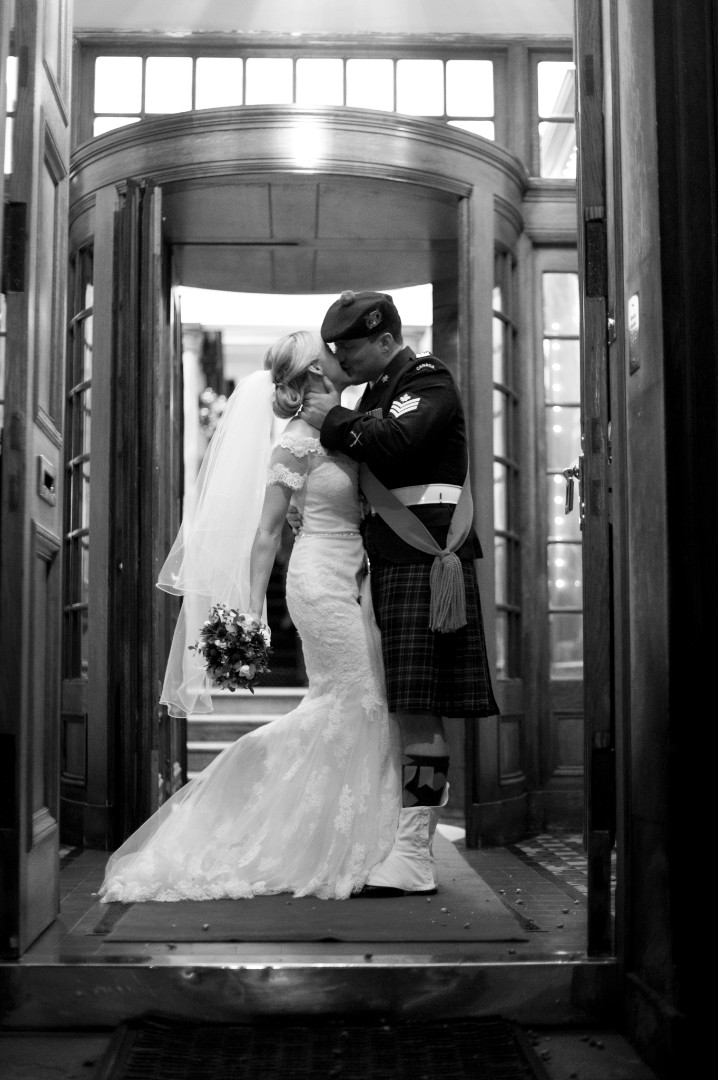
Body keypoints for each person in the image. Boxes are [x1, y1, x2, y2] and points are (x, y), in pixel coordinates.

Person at [98, 331, 401, 903]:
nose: (344, 356)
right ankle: (247, 789)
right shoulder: (294, 443)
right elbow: (265, 533)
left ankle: (351, 837)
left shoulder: (348, 425)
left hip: (356, 578)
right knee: (358, 699)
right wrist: (250, 609)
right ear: (315, 370)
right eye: (332, 353)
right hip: (317, 582)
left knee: (356, 702)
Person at [301, 290, 498, 898]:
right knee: (408, 706)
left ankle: (415, 851)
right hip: (396, 563)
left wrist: (330, 418)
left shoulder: (426, 380)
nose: (343, 358)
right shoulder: (379, 392)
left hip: (422, 560)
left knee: (418, 709)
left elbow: (391, 444)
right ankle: (407, 839)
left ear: (385, 339)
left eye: (351, 347)